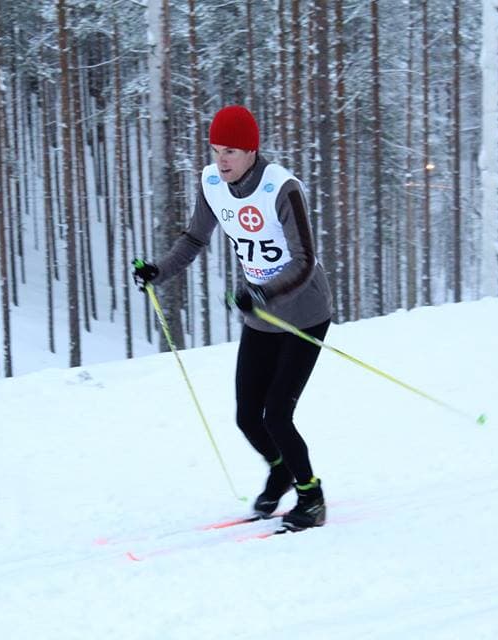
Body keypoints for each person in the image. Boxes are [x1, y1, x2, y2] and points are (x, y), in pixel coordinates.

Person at [132, 105, 333, 531]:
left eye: (232, 152)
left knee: (277, 414)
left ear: (252, 152)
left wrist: (264, 291)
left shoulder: (282, 188)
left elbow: (305, 259)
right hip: (261, 315)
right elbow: (193, 238)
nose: (222, 160)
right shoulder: (212, 185)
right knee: (247, 416)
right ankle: (280, 470)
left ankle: (311, 497)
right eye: (217, 149)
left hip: (303, 314)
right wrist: (159, 271)